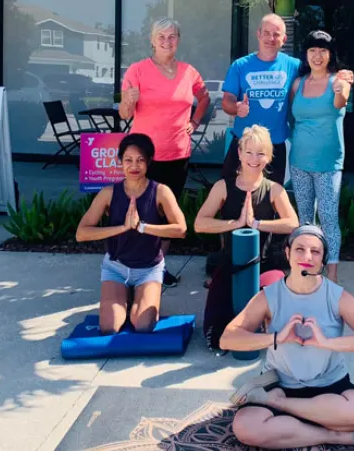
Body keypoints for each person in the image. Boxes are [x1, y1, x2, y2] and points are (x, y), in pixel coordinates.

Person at [219, 225, 354, 451]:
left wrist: (326, 343)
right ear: (288, 253)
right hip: (280, 383)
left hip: (329, 385)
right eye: (300, 249)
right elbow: (228, 339)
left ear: (323, 259)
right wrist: (276, 338)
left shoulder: (336, 296)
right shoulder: (268, 296)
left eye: (315, 251)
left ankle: (278, 405)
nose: (307, 257)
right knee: (246, 428)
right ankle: (342, 437)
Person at [119, 17, 210, 287]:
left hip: (178, 152)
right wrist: (129, 101)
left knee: (168, 213)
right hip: (145, 157)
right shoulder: (137, 70)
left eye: (172, 36)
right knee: (142, 210)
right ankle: (135, 266)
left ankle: (158, 267)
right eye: (162, 36)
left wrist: (194, 121)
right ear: (152, 40)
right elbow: (125, 114)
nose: (167, 41)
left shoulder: (188, 72)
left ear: (178, 40)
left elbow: (204, 97)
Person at [194, 125, 299, 354]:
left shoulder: (274, 190)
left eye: (261, 153)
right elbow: (200, 223)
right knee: (216, 337)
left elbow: (292, 224)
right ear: (239, 153)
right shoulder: (223, 187)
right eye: (249, 152)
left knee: (277, 323)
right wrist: (235, 224)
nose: (254, 159)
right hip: (230, 264)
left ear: (269, 157)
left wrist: (257, 224)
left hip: (266, 265)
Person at [220, 14, 354, 185]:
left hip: (275, 145)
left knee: (270, 200)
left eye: (276, 34)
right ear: (258, 34)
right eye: (266, 33)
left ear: (284, 38)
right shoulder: (240, 65)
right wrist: (236, 107)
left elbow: (320, 72)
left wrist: (343, 75)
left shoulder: (294, 65)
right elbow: (227, 101)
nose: (271, 38)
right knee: (231, 195)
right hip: (244, 144)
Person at [75, 133, 187, 334]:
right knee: (109, 327)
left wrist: (142, 227)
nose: (134, 166)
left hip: (149, 269)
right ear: (120, 162)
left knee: (143, 325)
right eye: (128, 160)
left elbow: (181, 229)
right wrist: (123, 228)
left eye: (140, 160)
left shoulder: (161, 191)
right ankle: (125, 294)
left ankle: (139, 296)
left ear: (149, 162)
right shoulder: (108, 193)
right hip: (116, 268)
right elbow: (82, 233)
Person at [288, 30, 351, 283]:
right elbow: (293, 116)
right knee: (304, 219)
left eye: (323, 50)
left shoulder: (339, 80)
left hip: (328, 164)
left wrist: (340, 88)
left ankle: (332, 276)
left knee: (328, 219)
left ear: (330, 54)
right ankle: (308, 271)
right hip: (299, 162)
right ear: (305, 54)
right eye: (312, 50)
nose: (317, 55)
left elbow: (340, 102)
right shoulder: (298, 84)